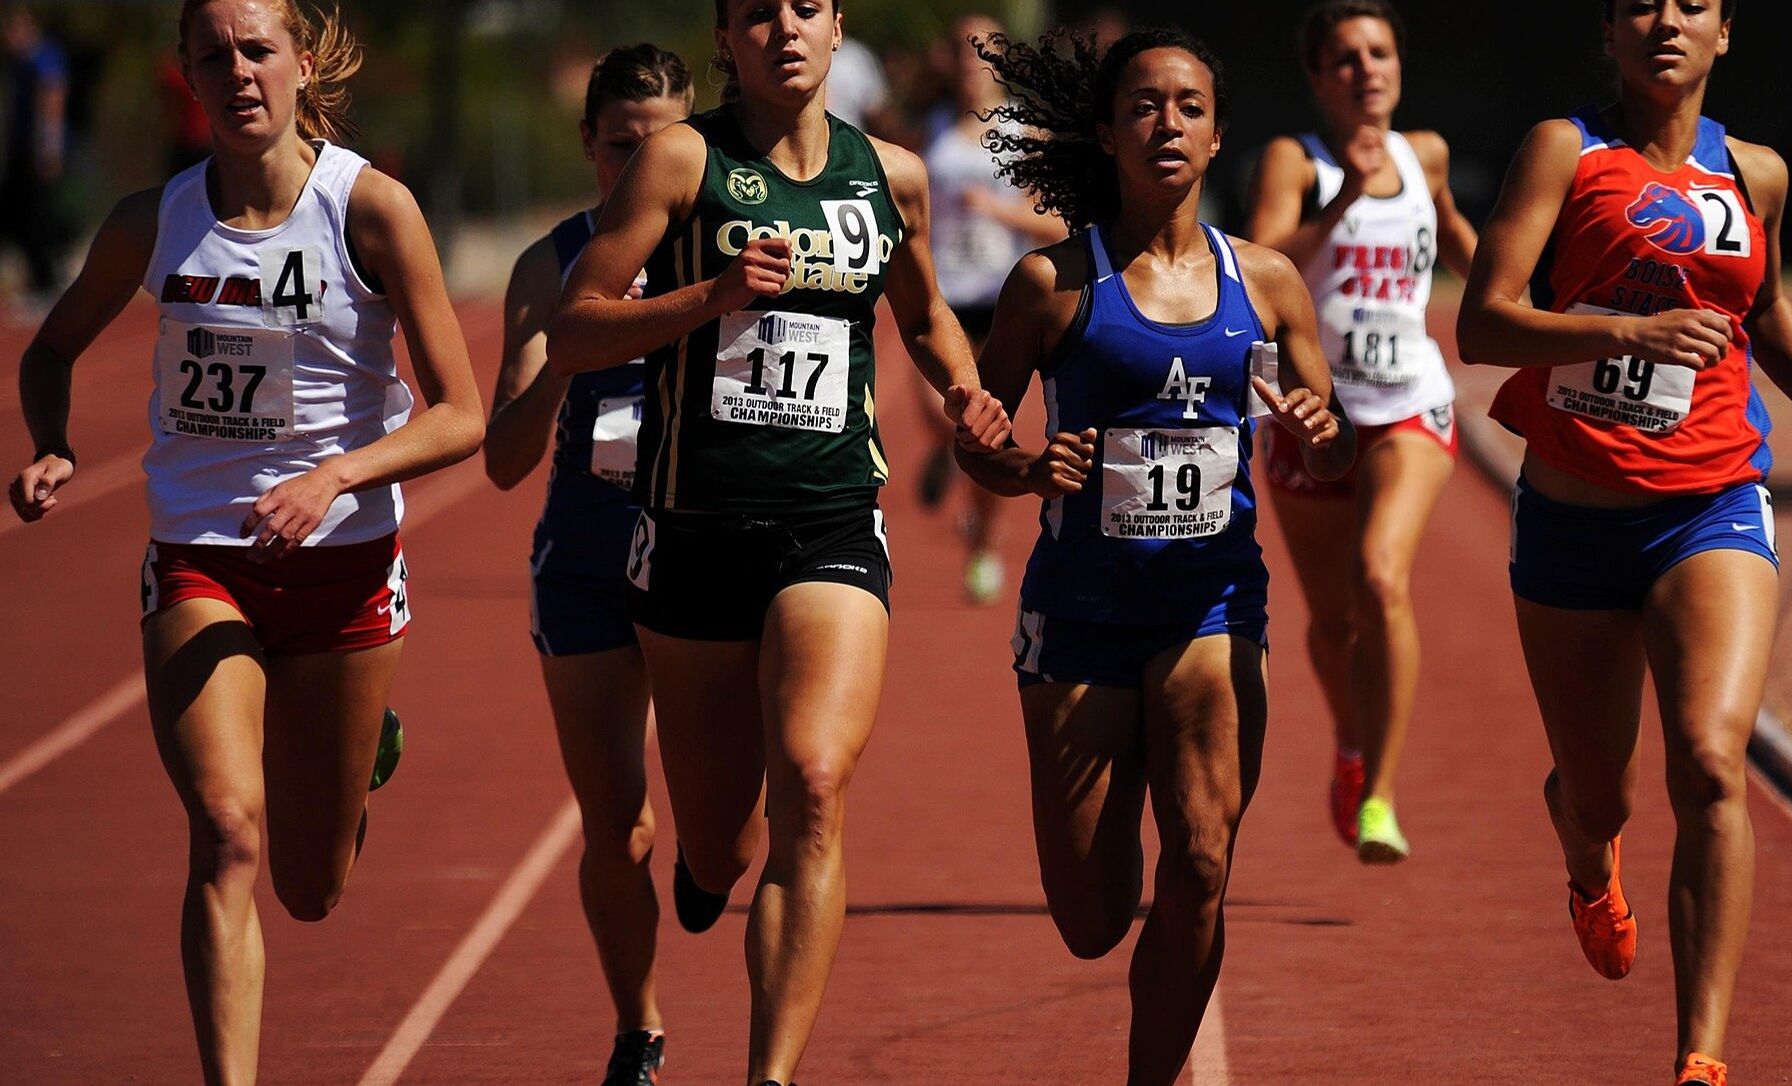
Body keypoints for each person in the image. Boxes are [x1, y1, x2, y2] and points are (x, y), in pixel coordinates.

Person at [8, 1, 483, 1082]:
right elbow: (50, 352)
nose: (238, 73)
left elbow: (462, 414)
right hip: (200, 558)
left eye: (258, 50)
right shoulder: (154, 221)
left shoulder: (371, 208)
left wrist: (335, 477)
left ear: (300, 63)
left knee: (310, 889)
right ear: (187, 73)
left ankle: (358, 758)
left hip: (346, 570)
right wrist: (52, 445)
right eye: (213, 55)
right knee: (227, 830)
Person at [544, 2, 1011, 1082]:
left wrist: (963, 389)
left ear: (839, 27)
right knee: (720, 844)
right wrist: (709, 296)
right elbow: (575, 327)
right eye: (759, 12)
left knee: (814, 778)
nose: (785, 29)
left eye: (806, 7)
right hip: (694, 530)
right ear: (726, 37)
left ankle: (771, 1074)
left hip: (831, 518)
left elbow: (924, 313)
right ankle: (711, 865)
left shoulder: (888, 175)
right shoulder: (680, 161)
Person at [1455, 2, 1792, 1082]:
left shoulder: (1757, 173)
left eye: (1692, 4)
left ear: (1724, 33)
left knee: (1710, 763)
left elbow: (1764, 311)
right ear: (1610, 30)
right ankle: (1587, 857)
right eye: (1642, 4)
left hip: (1711, 501)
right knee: (1600, 794)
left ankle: (1701, 1058)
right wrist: (1629, 330)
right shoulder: (1565, 150)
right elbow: (1482, 325)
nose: (1667, 20)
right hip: (1573, 516)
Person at [959, 27, 1352, 1085]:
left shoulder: (1267, 281)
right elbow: (979, 440)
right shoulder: (1051, 284)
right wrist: (1028, 467)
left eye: (1189, 107)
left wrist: (1323, 431)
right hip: (1080, 616)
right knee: (1092, 918)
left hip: (1211, 605)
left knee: (1204, 861)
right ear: (1105, 132)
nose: (1166, 124)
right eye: (1142, 105)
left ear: (1218, 136)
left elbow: (1333, 440)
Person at [481, 43, 692, 1086]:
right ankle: (637, 1030)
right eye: (619, 148)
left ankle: (718, 859)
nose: (637, 169)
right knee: (620, 825)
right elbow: (503, 461)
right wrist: (571, 351)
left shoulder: (726, 252)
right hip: (589, 556)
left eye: (661, 148)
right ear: (587, 145)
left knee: (728, 831)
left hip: (702, 553)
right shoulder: (548, 264)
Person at [1244, 0, 1477, 863]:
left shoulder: (1427, 155)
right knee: (1333, 622)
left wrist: (1522, 296)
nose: (1366, 70)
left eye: (1380, 53)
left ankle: (1380, 793)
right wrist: (1343, 193)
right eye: (1346, 58)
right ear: (1319, 77)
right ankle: (1349, 742)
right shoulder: (1295, 161)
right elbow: (1264, 266)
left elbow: (1460, 242)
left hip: (1409, 402)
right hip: (1311, 414)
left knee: (1381, 578)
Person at [918, 14, 1067, 603]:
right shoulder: (931, 127)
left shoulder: (1023, 132)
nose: (971, 62)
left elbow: (1057, 223)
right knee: (938, 413)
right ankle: (944, 453)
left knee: (986, 427)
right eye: (963, 49)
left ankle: (983, 542)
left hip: (1003, 298)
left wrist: (997, 211)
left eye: (983, 50)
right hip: (944, 293)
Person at [2, 7, 70, 300]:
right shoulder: (20, 62)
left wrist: (48, 148)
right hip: (21, 150)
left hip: (38, 152)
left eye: (8, 31)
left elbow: (52, 99)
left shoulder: (43, 57)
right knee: (19, 214)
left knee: (38, 215)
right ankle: (39, 279)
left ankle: (47, 283)